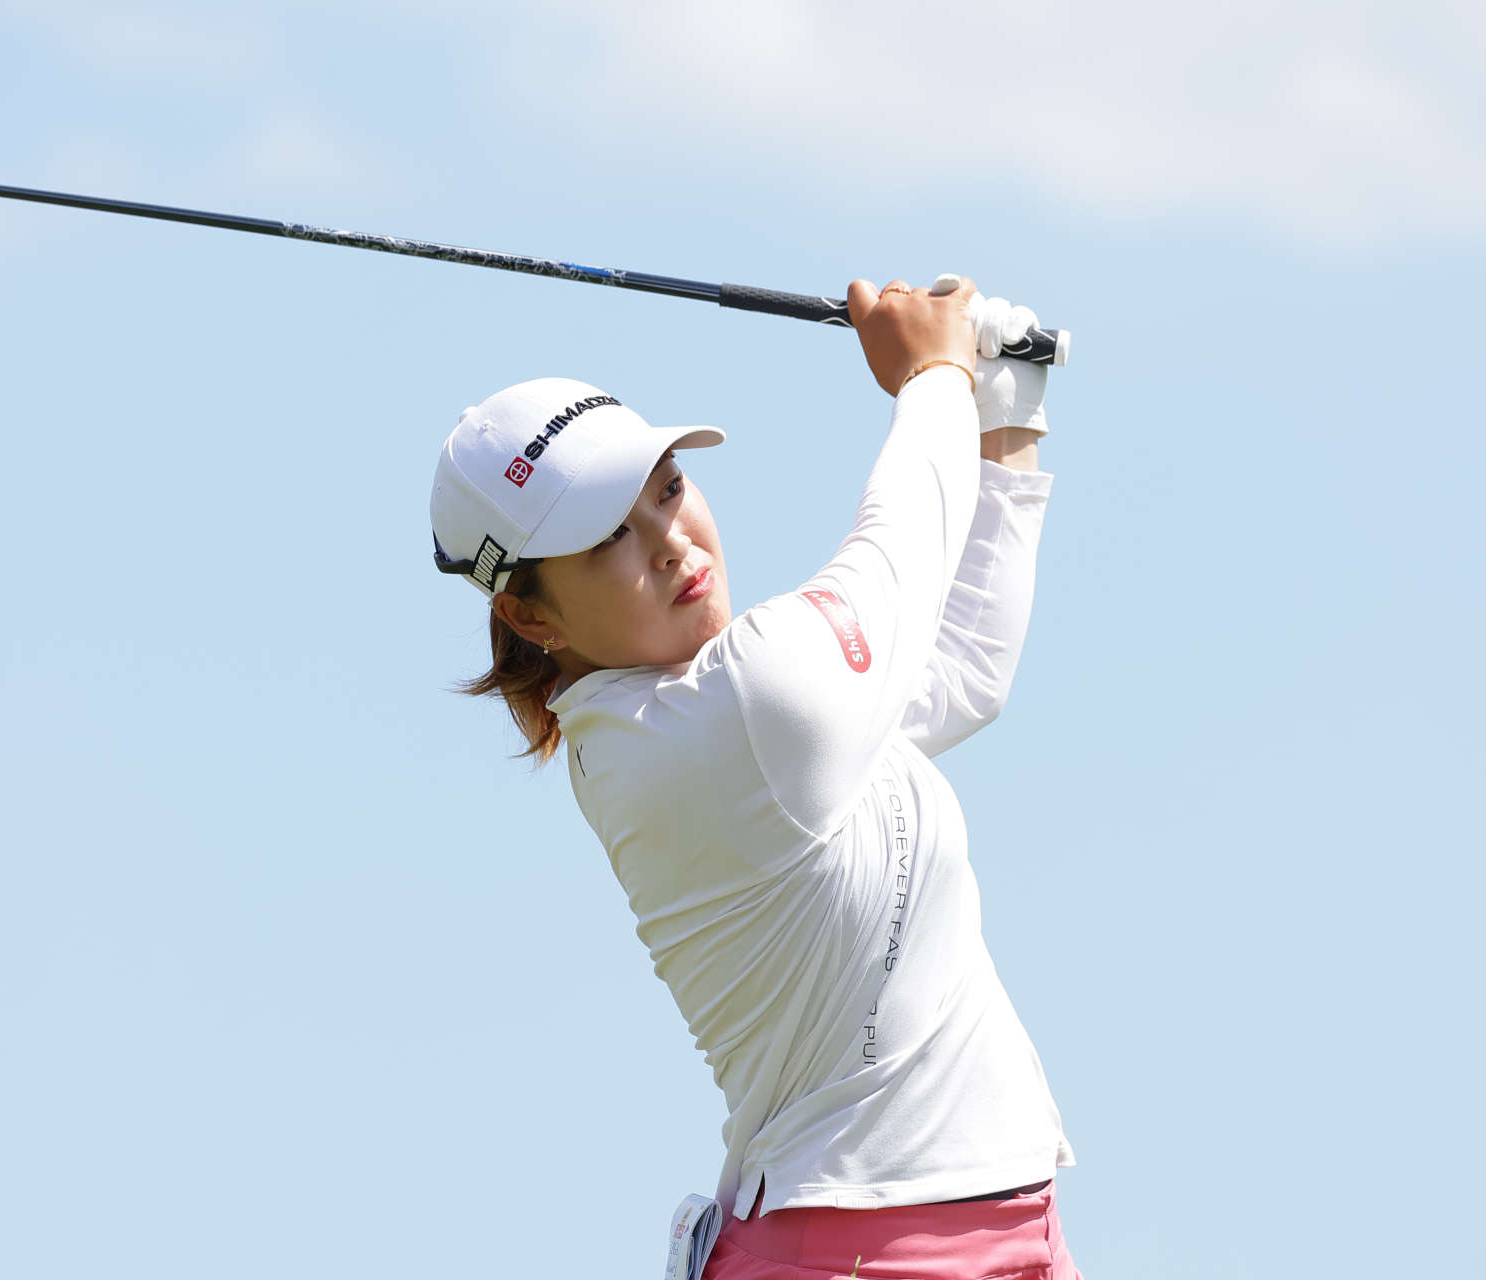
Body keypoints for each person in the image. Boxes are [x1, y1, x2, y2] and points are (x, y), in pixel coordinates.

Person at [428, 274, 1082, 1280]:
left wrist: (1004, 403)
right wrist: (935, 372)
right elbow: (901, 544)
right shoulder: (737, 711)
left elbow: (960, 667)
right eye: (607, 540)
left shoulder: (728, 711)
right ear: (531, 614)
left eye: (667, 490)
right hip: (867, 1252)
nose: (669, 542)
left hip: (983, 1232)